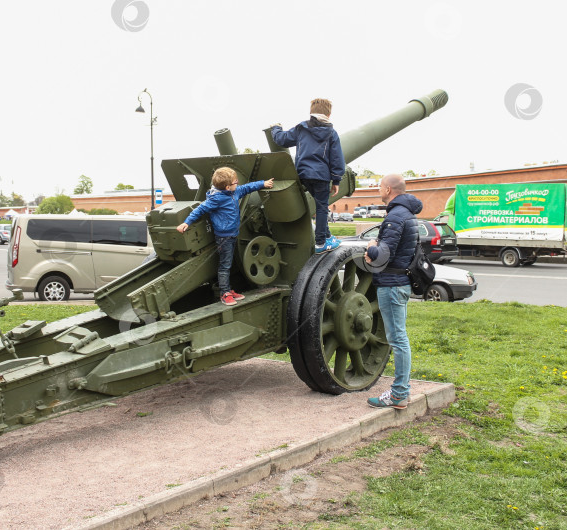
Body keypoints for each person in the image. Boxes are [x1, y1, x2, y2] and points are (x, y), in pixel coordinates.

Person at [363, 174, 423, 409]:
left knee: (398, 340)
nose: (379, 189)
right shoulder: (407, 213)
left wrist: (371, 248)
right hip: (400, 282)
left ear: (388, 189)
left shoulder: (395, 216)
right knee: (400, 338)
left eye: (380, 186)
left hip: (391, 284)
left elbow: (384, 254)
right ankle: (401, 391)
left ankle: (398, 394)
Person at [177, 167, 274, 306]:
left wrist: (263, 184)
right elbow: (200, 210)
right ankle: (224, 293)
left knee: (229, 263)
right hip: (224, 237)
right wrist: (186, 223)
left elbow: (247, 188)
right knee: (225, 265)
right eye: (235, 181)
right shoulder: (216, 199)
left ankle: (228, 289)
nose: (238, 182)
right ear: (228, 187)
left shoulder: (234, 191)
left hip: (232, 235)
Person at [271, 98, 346, 253]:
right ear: (329, 114)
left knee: (320, 206)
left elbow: (282, 139)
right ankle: (320, 243)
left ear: (311, 112)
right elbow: (337, 158)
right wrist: (336, 180)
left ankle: (327, 236)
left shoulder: (301, 128)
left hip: (303, 174)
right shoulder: (331, 133)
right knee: (322, 207)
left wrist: (276, 129)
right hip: (321, 176)